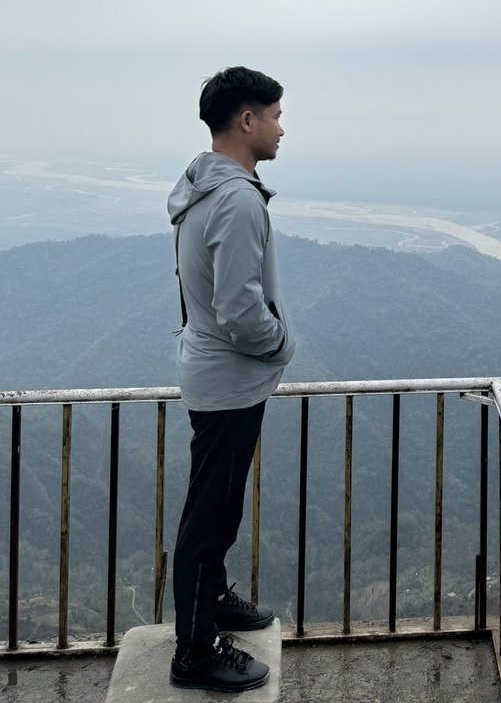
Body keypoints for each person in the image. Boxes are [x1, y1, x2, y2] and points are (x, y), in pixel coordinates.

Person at [166, 67, 295, 692]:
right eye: (273, 115)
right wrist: (281, 344)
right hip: (229, 377)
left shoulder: (202, 188)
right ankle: (194, 651)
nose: (280, 128)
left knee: (218, 506)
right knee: (209, 518)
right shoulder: (239, 198)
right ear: (246, 121)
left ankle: (213, 602)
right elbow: (242, 309)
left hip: (212, 370)